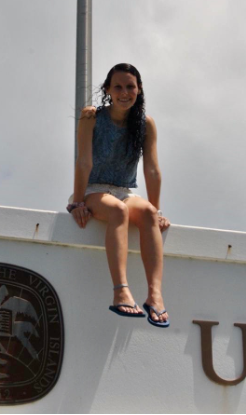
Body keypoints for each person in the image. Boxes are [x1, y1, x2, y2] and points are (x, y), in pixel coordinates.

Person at [67, 63, 171, 327]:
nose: (125, 92)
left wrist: (156, 211)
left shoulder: (145, 124)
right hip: (93, 189)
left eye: (130, 87)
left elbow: (152, 170)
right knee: (118, 211)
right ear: (108, 90)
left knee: (146, 211)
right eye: (118, 87)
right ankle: (120, 291)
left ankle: (154, 295)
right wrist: (78, 202)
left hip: (124, 190)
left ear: (139, 89)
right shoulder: (91, 117)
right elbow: (83, 162)